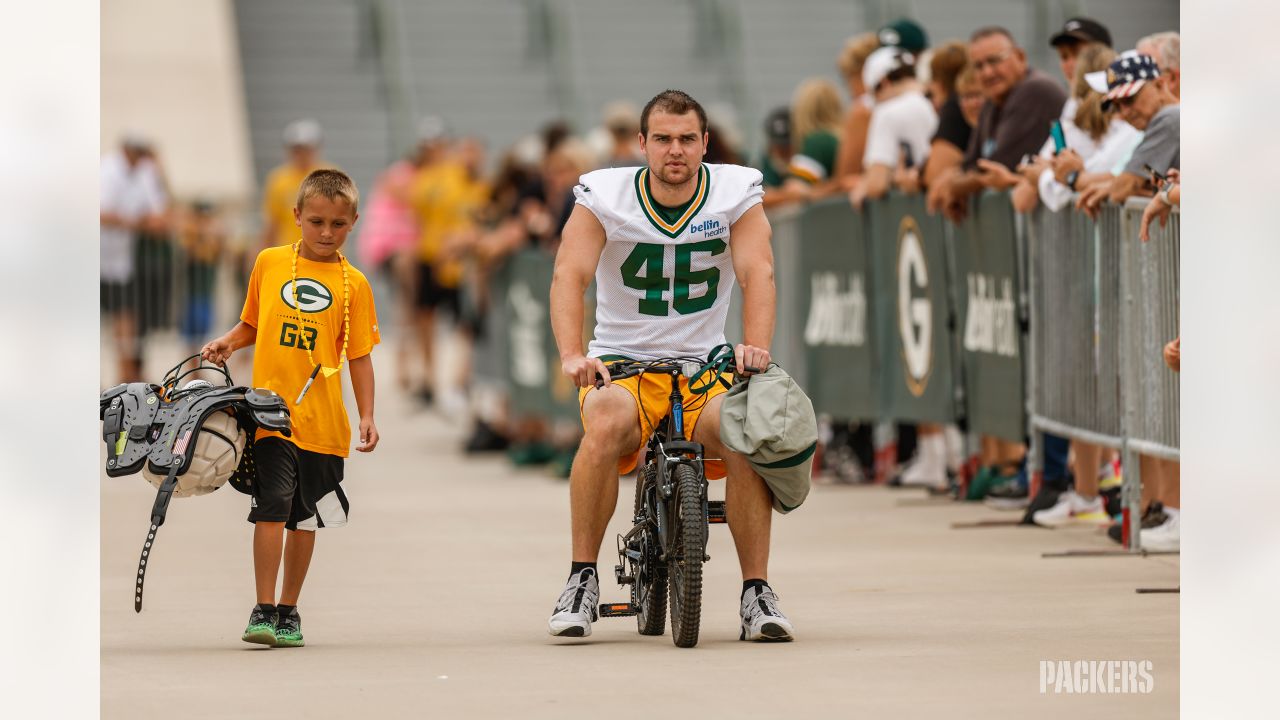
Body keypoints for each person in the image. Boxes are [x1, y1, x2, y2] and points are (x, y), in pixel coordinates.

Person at [547, 89, 793, 642]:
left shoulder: (735, 191)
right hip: (622, 364)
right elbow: (569, 274)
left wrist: (755, 344)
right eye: (662, 139)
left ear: (705, 143)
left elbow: (759, 271)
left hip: (704, 364)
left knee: (742, 432)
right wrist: (572, 355)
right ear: (642, 144)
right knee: (606, 424)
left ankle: (757, 590)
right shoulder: (605, 193)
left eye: (687, 139)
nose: (674, 150)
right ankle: (581, 578)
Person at [200, 169, 381, 648]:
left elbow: (359, 356)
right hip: (270, 415)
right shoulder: (269, 262)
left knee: (304, 517)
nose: (326, 233)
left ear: (354, 222)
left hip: (323, 423)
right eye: (317, 221)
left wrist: (366, 414)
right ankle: (261, 608)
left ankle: (288, 610)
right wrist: (228, 343)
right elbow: (251, 323)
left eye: (338, 224)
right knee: (272, 504)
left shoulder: (354, 285)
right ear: (296, 216)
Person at [937, 27, 1066, 221]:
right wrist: (965, 181)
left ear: (1020, 57)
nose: (988, 72)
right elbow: (971, 164)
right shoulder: (992, 101)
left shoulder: (1035, 90)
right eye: (978, 66)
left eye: (994, 60)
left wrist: (956, 186)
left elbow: (997, 166)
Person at [1075, 53, 1180, 214]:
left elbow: (1123, 189)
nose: (1124, 113)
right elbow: (1127, 185)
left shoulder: (1168, 119)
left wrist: (1125, 187)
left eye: (1129, 99)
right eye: (1116, 106)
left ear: (1159, 85)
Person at [101, 134, 168, 383]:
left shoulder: (145, 172)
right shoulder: (106, 170)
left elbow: (159, 216)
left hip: (121, 264)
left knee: (125, 320)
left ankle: (125, 378)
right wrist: (135, 222)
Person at [852, 46, 938, 205]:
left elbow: (876, 185)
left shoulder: (887, 112)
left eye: (874, 95)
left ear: (884, 83)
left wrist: (868, 183)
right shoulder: (937, 100)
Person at [260, 119, 328, 250]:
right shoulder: (278, 180)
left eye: (306, 149)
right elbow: (272, 222)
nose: (302, 154)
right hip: (289, 255)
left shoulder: (329, 176)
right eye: (297, 150)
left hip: (323, 255)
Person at [832, 32, 881, 189]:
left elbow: (845, 178)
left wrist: (807, 194)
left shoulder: (862, 111)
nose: (850, 89)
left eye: (849, 78)